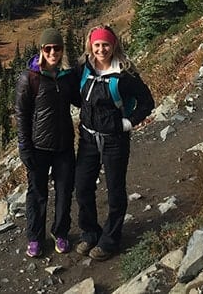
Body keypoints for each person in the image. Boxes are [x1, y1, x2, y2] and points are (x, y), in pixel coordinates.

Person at [75, 25, 154, 260]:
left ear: (114, 46)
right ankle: (90, 233)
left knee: (115, 190)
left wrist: (127, 124)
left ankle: (110, 241)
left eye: (105, 45)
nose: (101, 49)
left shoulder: (124, 74)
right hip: (88, 137)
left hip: (115, 141)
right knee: (82, 188)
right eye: (97, 45)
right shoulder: (84, 68)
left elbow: (146, 102)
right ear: (91, 46)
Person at [15, 27, 81, 258]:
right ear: (42, 50)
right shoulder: (29, 78)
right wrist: (24, 147)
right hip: (38, 147)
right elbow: (21, 115)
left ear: (62, 50)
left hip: (64, 145)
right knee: (37, 194)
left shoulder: (67, 76)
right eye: (48, 48)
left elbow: (79, 100)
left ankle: (60, 232)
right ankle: (35, 237)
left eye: (57, 48)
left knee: (64, 191)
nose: (53, 52)